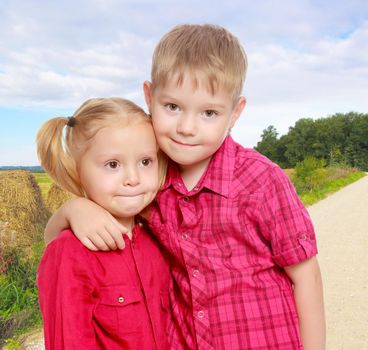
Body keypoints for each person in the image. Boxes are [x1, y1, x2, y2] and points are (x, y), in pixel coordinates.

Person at [44, 25, 326, 350]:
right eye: (173, 107)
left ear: (235, 113)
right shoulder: (152, 180)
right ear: (150, 97)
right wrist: (72, 209)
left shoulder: (262, 181)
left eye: (208, 113)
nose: (187, 128)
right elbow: (58, 248)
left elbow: (307, 276)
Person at [36, 97, 175, 350]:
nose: (133, 178)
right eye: (113, 165)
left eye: (146, 162)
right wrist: (70, 209)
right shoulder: (69, 252)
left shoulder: (159, 239)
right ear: (78, 171)